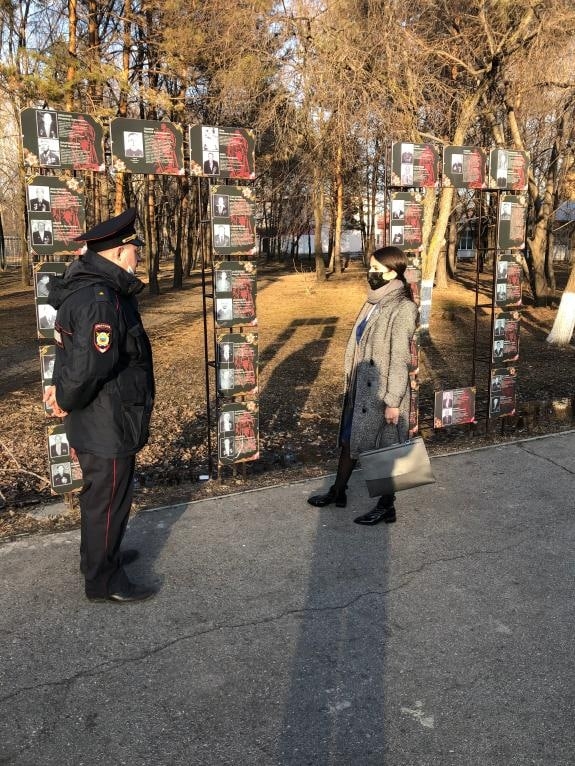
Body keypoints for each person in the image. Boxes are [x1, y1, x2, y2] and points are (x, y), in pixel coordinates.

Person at [43, 208, 156, 604]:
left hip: (104, 414)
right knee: (107, 501)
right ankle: (104, 580)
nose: (138, 255)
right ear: (120, 252)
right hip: (105, 418)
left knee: (102, 499)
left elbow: (73, 356)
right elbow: (90, 367)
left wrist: (62, 392)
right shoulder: (100, 299)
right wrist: (65, 398)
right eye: (135, 249)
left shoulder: (97, 289)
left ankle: (100, 556)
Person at [307, 246, 419, 525]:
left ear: (393, 273)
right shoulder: (373, 301)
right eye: (369, 267)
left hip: (383, 393)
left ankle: (386, 506)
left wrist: (393, 401)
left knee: (387, 449)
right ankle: (338, 491)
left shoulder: (403, 308)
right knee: (348, 440)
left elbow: (399, 358)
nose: (370, 273)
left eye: (376, 270)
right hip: (361, 389)